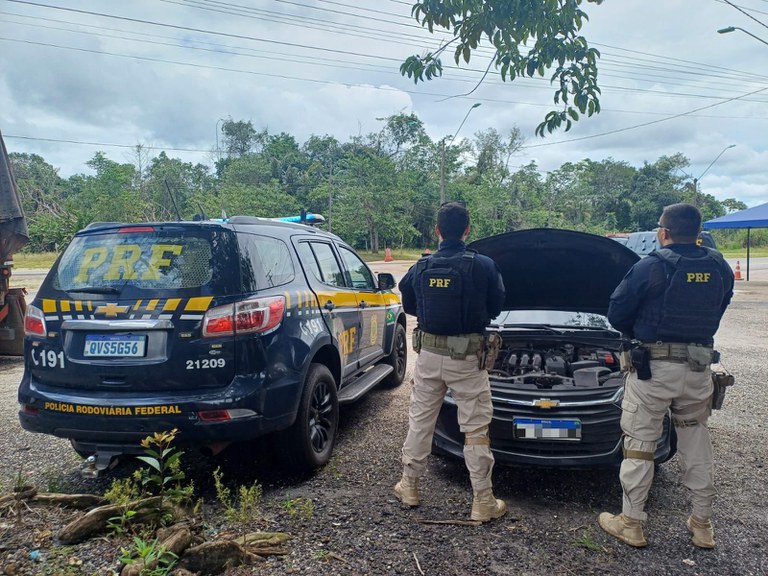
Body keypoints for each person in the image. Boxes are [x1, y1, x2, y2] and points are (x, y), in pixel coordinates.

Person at [599, 203, 735, 548]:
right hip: (698, 369)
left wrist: (642, 333)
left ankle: (631, 523)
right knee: (695, 440)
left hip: (653, 373)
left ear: (664, 233)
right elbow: (720, 306)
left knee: (641, 445)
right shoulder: (719, 266)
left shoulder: (651, 266)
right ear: (699, 233)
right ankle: (702, 524)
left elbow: (617, 312)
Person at [394, 201, 507, 522]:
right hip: (469, 358)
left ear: (437, 230)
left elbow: (411, 304)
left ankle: (409, 486)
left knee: (421, 420)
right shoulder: (483, 265)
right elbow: (496, 305)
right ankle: (483, 501)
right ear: (468, 230)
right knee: (475, 428)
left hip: (428, 356)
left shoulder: (420, 268)